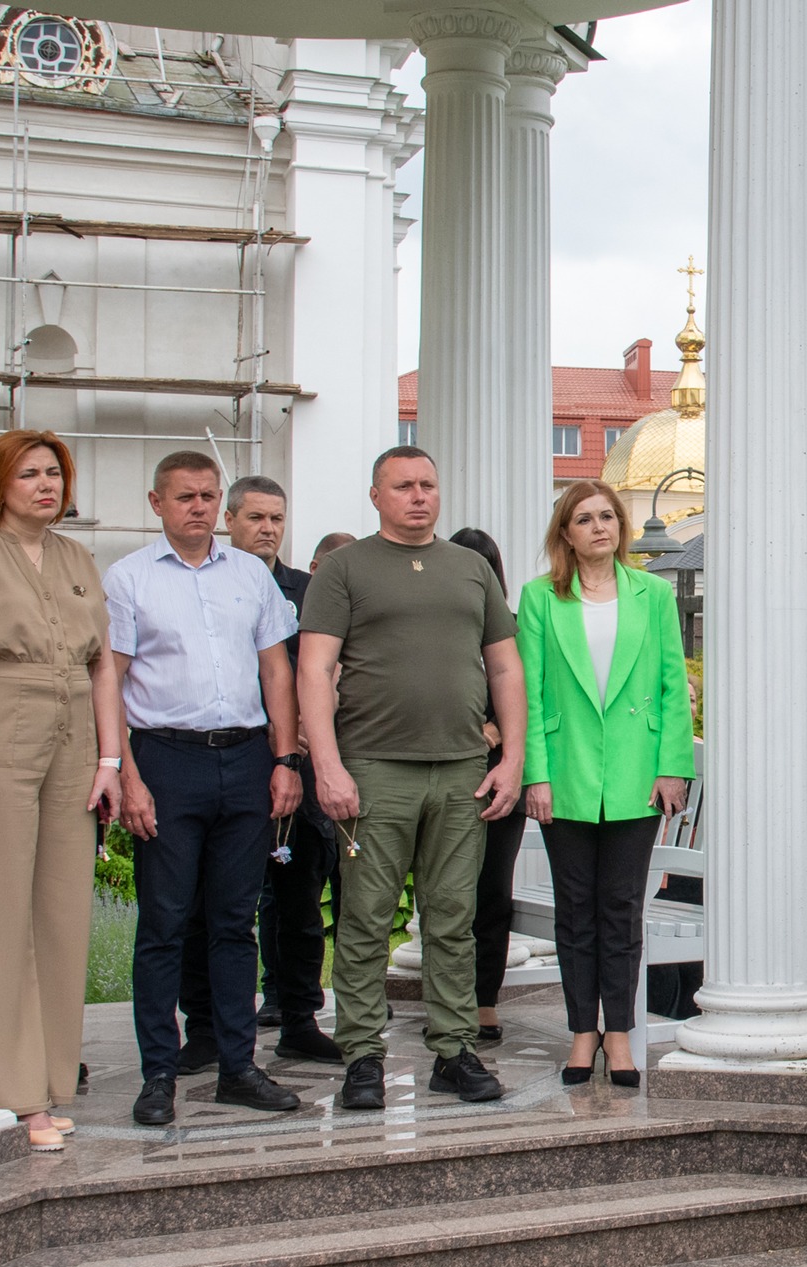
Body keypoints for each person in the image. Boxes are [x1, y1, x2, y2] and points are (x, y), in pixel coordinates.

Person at [297, 446, 525, 1108]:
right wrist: (328, 765)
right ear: (376, 496)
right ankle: (362, 1056)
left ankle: (454, 1050)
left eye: (428, 484)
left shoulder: (471, 569)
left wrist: (510, 758)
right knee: (366, 919)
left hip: (461, 772)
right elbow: (315, 671)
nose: (419, 496)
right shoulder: (344, 568)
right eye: (403, 486)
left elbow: (505, 669)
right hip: (372, 771)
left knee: (454, 916)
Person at [106, 452, 305, 1127]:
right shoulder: (129, 579)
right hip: (166, 759)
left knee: (234, 921)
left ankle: (237, 1066)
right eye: (185, 496)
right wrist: (125, 771)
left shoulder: (250, 576)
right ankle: (159, 1070)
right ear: (157, 502)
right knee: (164, 923)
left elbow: (276, 670)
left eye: (207, 496)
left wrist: (286, 759)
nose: (197, 507)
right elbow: (114, 679)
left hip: (246, 758)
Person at [0, 430, 122, 1153]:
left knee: (59, 910)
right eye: (28, 474)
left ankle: (50, 1078)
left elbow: (103, 667)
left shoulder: (78, 557)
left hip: (72, 734)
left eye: (54, 472)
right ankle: (10, 1093)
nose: (45, 485)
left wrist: (110, 760)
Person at [517, 480, 692, 1087]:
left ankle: (618, 1032)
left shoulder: (653, 596)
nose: (600, 527)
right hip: (564, 774)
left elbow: (673, 686)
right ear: (566, 532)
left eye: (609, 517)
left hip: (636, 776)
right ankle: (581, 1033)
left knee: (620, 909)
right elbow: (531, 695)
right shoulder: (540, 599)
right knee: (576, 911)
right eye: (585, 518)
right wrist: (534, 775)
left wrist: (673, 767)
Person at [174, 476, 344, 1068]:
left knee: (299, 901)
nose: (268, 528)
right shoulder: (203, 586)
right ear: (229, 519)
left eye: (277, 518)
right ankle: (205, 1029)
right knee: (212, 905)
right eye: (255, 518)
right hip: (229, 759)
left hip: (297, 766)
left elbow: (328, 667)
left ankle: (298, 1016)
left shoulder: (308, 591)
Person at [448, 526, 530, 1044]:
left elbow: (531, 690)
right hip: (445, 766)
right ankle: (449, 994)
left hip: (501, 773)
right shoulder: (435, 624)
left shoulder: (515, 628)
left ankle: (484, 999)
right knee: (445, 892)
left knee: (492, 889)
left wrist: (500, 726)